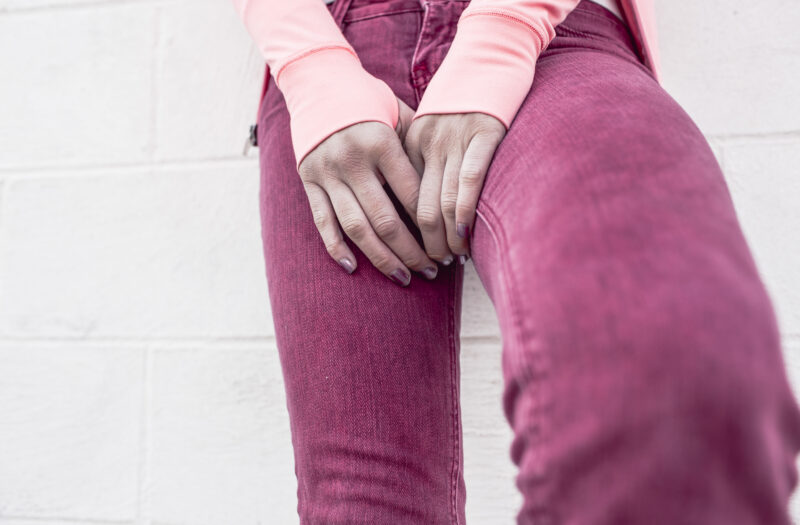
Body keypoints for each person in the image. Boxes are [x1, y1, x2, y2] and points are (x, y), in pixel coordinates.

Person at [233, 0, 800, 522]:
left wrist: (503, 34)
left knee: (674, 375)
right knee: (364, 501)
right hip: (336, 55)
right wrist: (311, 65)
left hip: (557, 35)